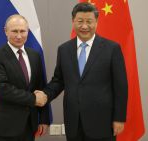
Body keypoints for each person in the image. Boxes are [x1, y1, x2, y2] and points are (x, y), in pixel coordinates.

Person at [35, 2, 128, 141]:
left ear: (96, 22)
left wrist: (119, 118)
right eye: (80, 21)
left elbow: (121, 86)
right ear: (73, 21)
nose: (84, 26)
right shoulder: (64, 49)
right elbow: (58, 81)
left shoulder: (112, 49)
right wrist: (45, 95)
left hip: (102, 122)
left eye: (89, 21)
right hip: (74, 122)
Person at [0, 14, 50, 141]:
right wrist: (33, 99)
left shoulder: (35, 56)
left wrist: (44, 118)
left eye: (23, 31)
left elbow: (40, 88)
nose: (19, 36)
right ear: (5, 31)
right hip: (4, 127)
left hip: (28, 126)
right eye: (14, 31)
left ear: (28, 31)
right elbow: (3, 89)